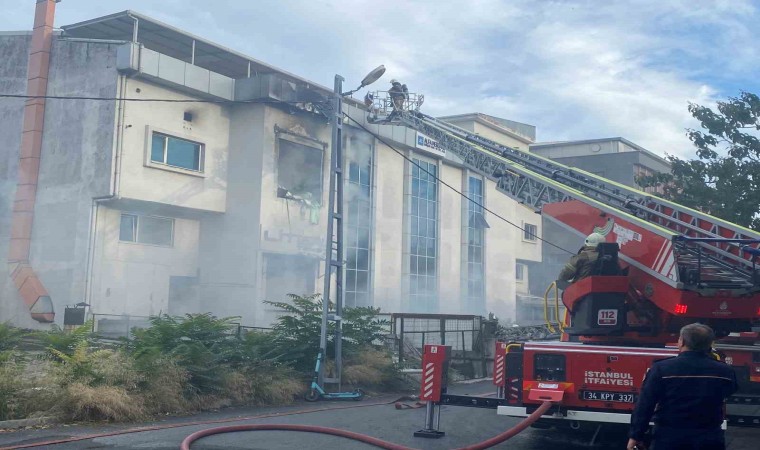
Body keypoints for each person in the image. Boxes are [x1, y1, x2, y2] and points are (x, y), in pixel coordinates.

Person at [627, 323, 738, 450]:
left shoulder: (661, 369)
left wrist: (636, 436)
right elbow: (730, 391)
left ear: (682, 342)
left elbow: (645, 405)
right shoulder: (724, 371)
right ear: (709, 344)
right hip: (709, 437)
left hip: (669, 437)